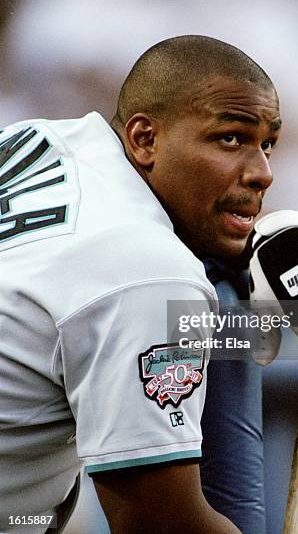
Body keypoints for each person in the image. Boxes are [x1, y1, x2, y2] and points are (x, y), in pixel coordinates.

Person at [0, 35, 282, 533]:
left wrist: (261, 247)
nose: (263, 173)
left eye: (268, 145)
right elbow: (159, 523)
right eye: (231, 138)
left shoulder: (40, 138)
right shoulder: (149, 272)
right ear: (144, 139)